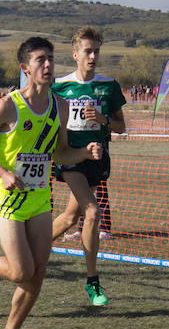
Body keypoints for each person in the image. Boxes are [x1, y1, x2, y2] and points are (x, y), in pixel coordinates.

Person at [0, 37, 103, 329]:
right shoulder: (9, 105)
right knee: (21, 271)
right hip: (9, 198)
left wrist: (85, 153)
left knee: (37, 273)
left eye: (51, 59)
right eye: (41, 60)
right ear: (26, 68)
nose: (49, 65)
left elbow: (61, 153)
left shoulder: (60, 106)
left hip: (39, 198)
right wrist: (2, 172)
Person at [50, 27, 126, 306]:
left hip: (97, 158)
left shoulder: (109, 86)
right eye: (88, 51)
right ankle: (93, 282)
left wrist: (104, 119)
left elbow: (121, 126)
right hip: (71, 157)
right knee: (92, 211)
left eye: (96, 51)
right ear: (75, 54)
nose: (93, 56)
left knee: (71, 216)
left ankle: (34, 249)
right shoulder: (59, 86)